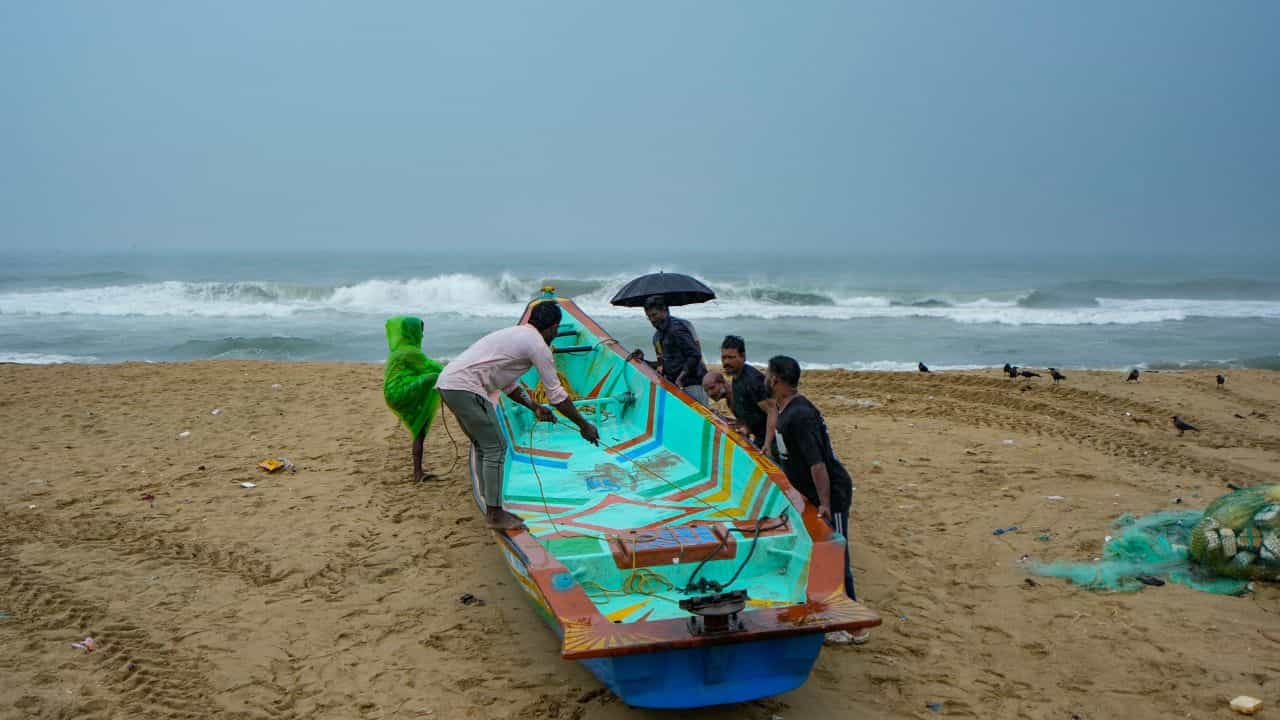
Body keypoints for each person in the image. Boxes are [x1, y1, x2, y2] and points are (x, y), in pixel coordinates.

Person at [437, 302, 600, 530]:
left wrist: (534, 406)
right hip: (466, 386)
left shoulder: (515, 335)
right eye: (556, 329)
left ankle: (489, 500)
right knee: (496, 447)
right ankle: (495, 514)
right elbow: (557, 396)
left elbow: (509, 385)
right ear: (553, 327)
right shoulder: (538, 345)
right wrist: (584, 425)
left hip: (448, 383)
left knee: (484, 445)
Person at [765, 354, 867, 644]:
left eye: (767, 374)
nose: (764, 378)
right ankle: (832, 613)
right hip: (811, 492)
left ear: (775, 379)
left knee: (838, 555)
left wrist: (824, 502)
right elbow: (775, 420)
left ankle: (855, 626)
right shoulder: (786, 408)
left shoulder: (801, 415)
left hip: (831, 492)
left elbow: (818, 464)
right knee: (821, 554)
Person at [382, 316, 445, 483]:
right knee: (436, 376)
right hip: (400, 391)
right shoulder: (409, 352)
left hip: (393, 392)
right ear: (412, 332)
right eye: (420, 331)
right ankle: (417, 473)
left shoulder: (398, 350)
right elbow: (432, 366)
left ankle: (418, 472)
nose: (422, 336)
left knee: (421, 428)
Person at [627, 296, 709, 406]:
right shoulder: (657, 337)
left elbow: (694, 355)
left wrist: (681, 377)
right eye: (649, 317)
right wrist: (643, 361)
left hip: (693, 385)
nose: (652, 320)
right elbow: (662, 366)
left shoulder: (677, 329)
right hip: (675, 388)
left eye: (654, 315)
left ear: (665, 310)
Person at [715, 335, 777, 454]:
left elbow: (772, 410)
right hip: (758, 437)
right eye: (723, 358)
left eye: (731, 357)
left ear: (743, 357)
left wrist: (768, 443)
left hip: (771, 441)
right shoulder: (736, 377)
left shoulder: (752, 380)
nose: (726, 362)